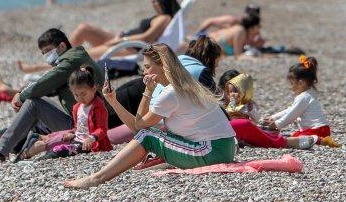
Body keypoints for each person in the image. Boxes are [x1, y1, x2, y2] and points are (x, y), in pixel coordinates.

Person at [63, 44, 237, 188]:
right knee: (151, 133)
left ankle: (96, 179)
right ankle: (97, 177)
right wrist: (115, 100)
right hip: (224, 148)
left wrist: (143, 93)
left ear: (163, 66)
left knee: (147, 136)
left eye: (147, 67)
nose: (144, 72)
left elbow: (139, 128)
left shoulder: (171, 92)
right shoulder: (184, 84)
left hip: (211, 151)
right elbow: (140, 126)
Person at [0, 29, 103, 161]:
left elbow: (46, 81)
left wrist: (21, 96)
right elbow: (48, 86)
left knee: (33, 105)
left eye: (48, 50)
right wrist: (24, 94)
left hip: (88, 126)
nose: (47, 56)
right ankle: (6, 144)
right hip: (85, 120)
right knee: (36, 107)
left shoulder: (70, 62)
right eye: (44, 53)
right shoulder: (76, 58)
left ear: (62, 46)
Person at [18, 66, 111, 160]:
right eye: (76, 95)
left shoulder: (98, 107)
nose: (80, 98)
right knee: (58, 137)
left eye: (83, 94)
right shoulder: (77, 107)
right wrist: (72, 133)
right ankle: (27, 154)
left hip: (88, 145)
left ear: (93, 89)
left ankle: (40, 160)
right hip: (76, 139)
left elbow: (102, 129)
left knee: (58, 149)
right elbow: (78, 128)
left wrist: (91, 138)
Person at [237, 56, 332, 148]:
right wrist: (273, 117)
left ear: (301, 83)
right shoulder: (308, 94)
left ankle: (320, 140)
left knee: (291, 140)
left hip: (318, 130)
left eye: (292, 83)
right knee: (292, 137)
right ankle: (320, 139)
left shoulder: (304, 97)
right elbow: (290, 110)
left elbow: (292, 114)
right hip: (321, 129)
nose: (291, 87)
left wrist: (277, 124)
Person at [64, 0, 181, 61]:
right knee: (83, 28)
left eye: (154, 1)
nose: (153, 4)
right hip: (124, 41)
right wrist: (121, 37)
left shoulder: (164, 18)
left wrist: (120, 40)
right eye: (152, 2)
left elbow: (147, 37)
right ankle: (62, 57)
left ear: (163, 0)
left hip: (129, 47)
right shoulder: (161, 17)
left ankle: (61, 61)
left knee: (81, 55)